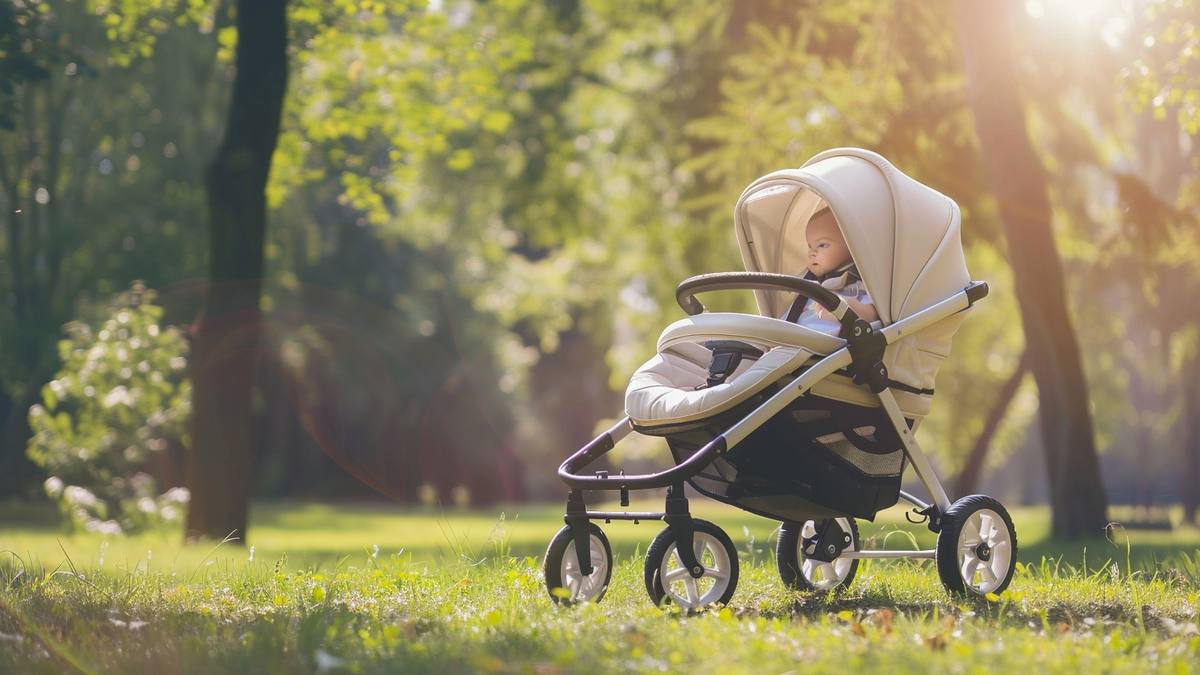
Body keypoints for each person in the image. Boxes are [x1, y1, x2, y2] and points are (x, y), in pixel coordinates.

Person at [784, 206, 878, 333]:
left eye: (822, 245)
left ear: (852, 245)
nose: (811, 253)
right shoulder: (808, 286)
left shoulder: (861, 283)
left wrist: (847, 308)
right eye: (810, 246)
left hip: (832, 346)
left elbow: (872, 316)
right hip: (795, 340)